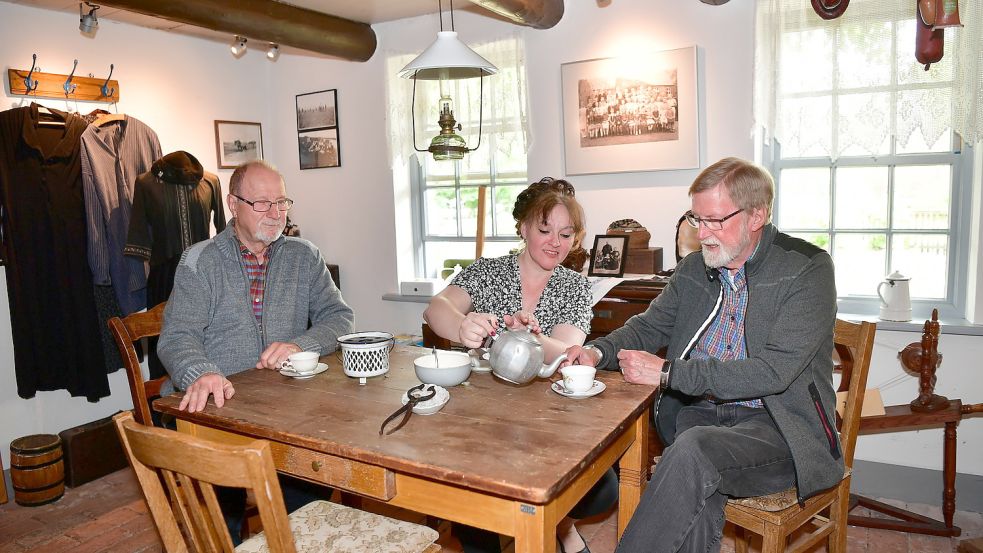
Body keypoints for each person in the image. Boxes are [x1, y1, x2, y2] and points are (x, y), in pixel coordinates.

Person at [563, 157, 842, 553]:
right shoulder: (696, 269)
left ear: (756, 215)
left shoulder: (807, 269)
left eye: (714, 220)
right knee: (695, 470)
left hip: (779, 429)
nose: (703, 233)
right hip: (701, 420)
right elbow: (649, 325)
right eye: (697, 219)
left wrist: (670, 373)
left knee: (692, 453)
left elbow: (773, 371)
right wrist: (596, 350)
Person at [157, 159, 354, 541]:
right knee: (217, 505)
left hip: (287, 409)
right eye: (262, 203)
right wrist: (202, 371)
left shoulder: (304, 255)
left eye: (282, 202)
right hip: (221, 404)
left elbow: (340, 319)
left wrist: (301, 345)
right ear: (233, 204)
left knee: (313, 484)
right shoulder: (201, 261)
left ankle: (295, 540)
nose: (276, 213)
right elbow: (177, 336)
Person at [424, 177, 617, 553]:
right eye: (544, 230)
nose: (554, 243)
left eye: (565, 234)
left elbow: (566, 351)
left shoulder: (574, 287)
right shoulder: (487, 272)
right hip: (481, 417)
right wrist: (463, 324)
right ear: (524, 228)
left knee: (603, 488)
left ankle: (562, 525)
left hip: (548, 421)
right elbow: (436, 309)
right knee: (475, 507)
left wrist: (530, 335)